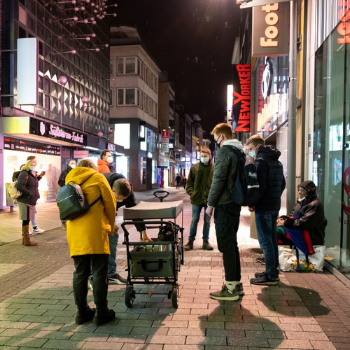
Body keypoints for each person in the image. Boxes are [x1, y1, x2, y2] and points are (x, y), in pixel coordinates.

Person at [65, 159, 116, 326]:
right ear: (93, 168)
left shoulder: (69, 180)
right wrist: (110, 225)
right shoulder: (99, 178)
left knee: (80, 272)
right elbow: (110, 204)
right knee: (100, 273)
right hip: (95, 230)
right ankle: (101, 312)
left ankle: (82, 312)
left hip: (74, 231)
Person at [205, 123, 244, 301]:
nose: (216, 143)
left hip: (224, 203)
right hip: (234, 203)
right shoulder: (239, 152)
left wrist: (210, 204)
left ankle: (230, 289)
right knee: (232, 244)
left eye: (216, 139)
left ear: (221, 136)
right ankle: (236, 283)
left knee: (226, 245)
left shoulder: (224, 152)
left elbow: (218, 179)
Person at [246, 135, 286, 286]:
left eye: (250, 149)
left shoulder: (260, 162)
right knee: (272, 239)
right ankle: (272, 271)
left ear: (257, 147)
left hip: (264, 206)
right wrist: (275, 197)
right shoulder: (277, 161)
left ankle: (271, 275)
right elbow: (282, 184)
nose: (250, 152)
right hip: (274, 205)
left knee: (265, 241)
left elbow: (259, 187)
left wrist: (252, 203)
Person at [101, 172, 152, 285]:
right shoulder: (101, 184)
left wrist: (143, 232)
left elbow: (134, 211)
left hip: (109, 213)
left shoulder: (127, 189)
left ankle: (110, 274)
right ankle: (93, 277)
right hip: (94, 215)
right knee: (96, 243)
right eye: (119, 199)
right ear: (112, 191)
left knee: (113, 236)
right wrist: (108, 224)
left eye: (123, 199)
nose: (121, 201)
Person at [277, 181, 327, 247]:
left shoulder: (315, 205)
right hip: (302, 231)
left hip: (311, 236)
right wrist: (282, 219)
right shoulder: (303, 202)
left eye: (302, 190)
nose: (300, 192)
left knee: (278, 232)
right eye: (299, 190)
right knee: (276, 229)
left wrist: (285, 223)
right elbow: (294, 215)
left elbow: (305, 223)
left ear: (309, 191)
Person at [184, 147, 214, 251]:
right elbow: (189, 183)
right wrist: (191, 193)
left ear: (210, 156)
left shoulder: (214, 168)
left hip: (208, 199)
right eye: (201, 156)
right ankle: (190, 241)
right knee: (194, 220)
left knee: (207, 221)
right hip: (196, 199)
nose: (203, 158)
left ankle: (205, 241)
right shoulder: (194, 168)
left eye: (205, 156)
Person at [15, 159, 41, 246]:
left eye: (36, 162)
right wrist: (29, 193)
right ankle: (26, 240)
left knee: (28, 219)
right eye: (33, 162)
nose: (35, 163)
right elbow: (19, 185)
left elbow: (33, 185)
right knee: (25, 219)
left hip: (31, 200)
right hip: (25, 200)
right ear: (28, 163)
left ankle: (25, 240)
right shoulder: (24, 173)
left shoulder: (32, 173)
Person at [58, 159, 77, 229]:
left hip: (74, 192)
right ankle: (63, 222)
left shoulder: (76, 171)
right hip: (66, 192)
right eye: (72, 163)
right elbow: (60, 182)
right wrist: (66, 187)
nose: (73, 164)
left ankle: (71, 222)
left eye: (74, 163)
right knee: (65, 207)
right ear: (68, 164)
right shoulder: (65, 172)